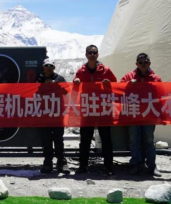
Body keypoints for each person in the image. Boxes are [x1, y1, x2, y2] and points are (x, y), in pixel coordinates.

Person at [73, 45, 116, 175]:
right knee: (85, 139)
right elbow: (74, 89)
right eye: (90, 52)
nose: (92, 54)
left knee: (106, 139)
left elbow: (116, 86)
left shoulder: (106, 70)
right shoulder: (81, 71)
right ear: (86, 55)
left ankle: (108, 167)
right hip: (87, 109)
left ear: (98, 55)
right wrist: (75, 83)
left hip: (103, 109)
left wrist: (109, 85)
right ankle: (83, 166)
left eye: (94, 52)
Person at [120, 53, 162, 177]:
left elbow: (161, 94)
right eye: (141, 62)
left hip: (149, 114)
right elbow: (119, 89)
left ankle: (152, 166)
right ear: (136, 64)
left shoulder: (156, 78)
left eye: (145, 62)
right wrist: (128, 85)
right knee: (134, 140)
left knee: (149, 140)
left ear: (149, 63)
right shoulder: (129, 76)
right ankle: (136, 165)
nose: (143, 64)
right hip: (133, 113)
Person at [37, 59, 70, 174]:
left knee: (58, 140)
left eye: (51, 66)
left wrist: (57, 86)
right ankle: (47, 163)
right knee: (46, 141)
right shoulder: (38, 79)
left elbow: (67, 91)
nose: (49, 67)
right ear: (43, 67)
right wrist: (42, 86)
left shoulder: (60, 78)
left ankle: (61, 163)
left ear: (54, 68)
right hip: (44, 114)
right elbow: (32, 93)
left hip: (57, 114)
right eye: (47, 65)